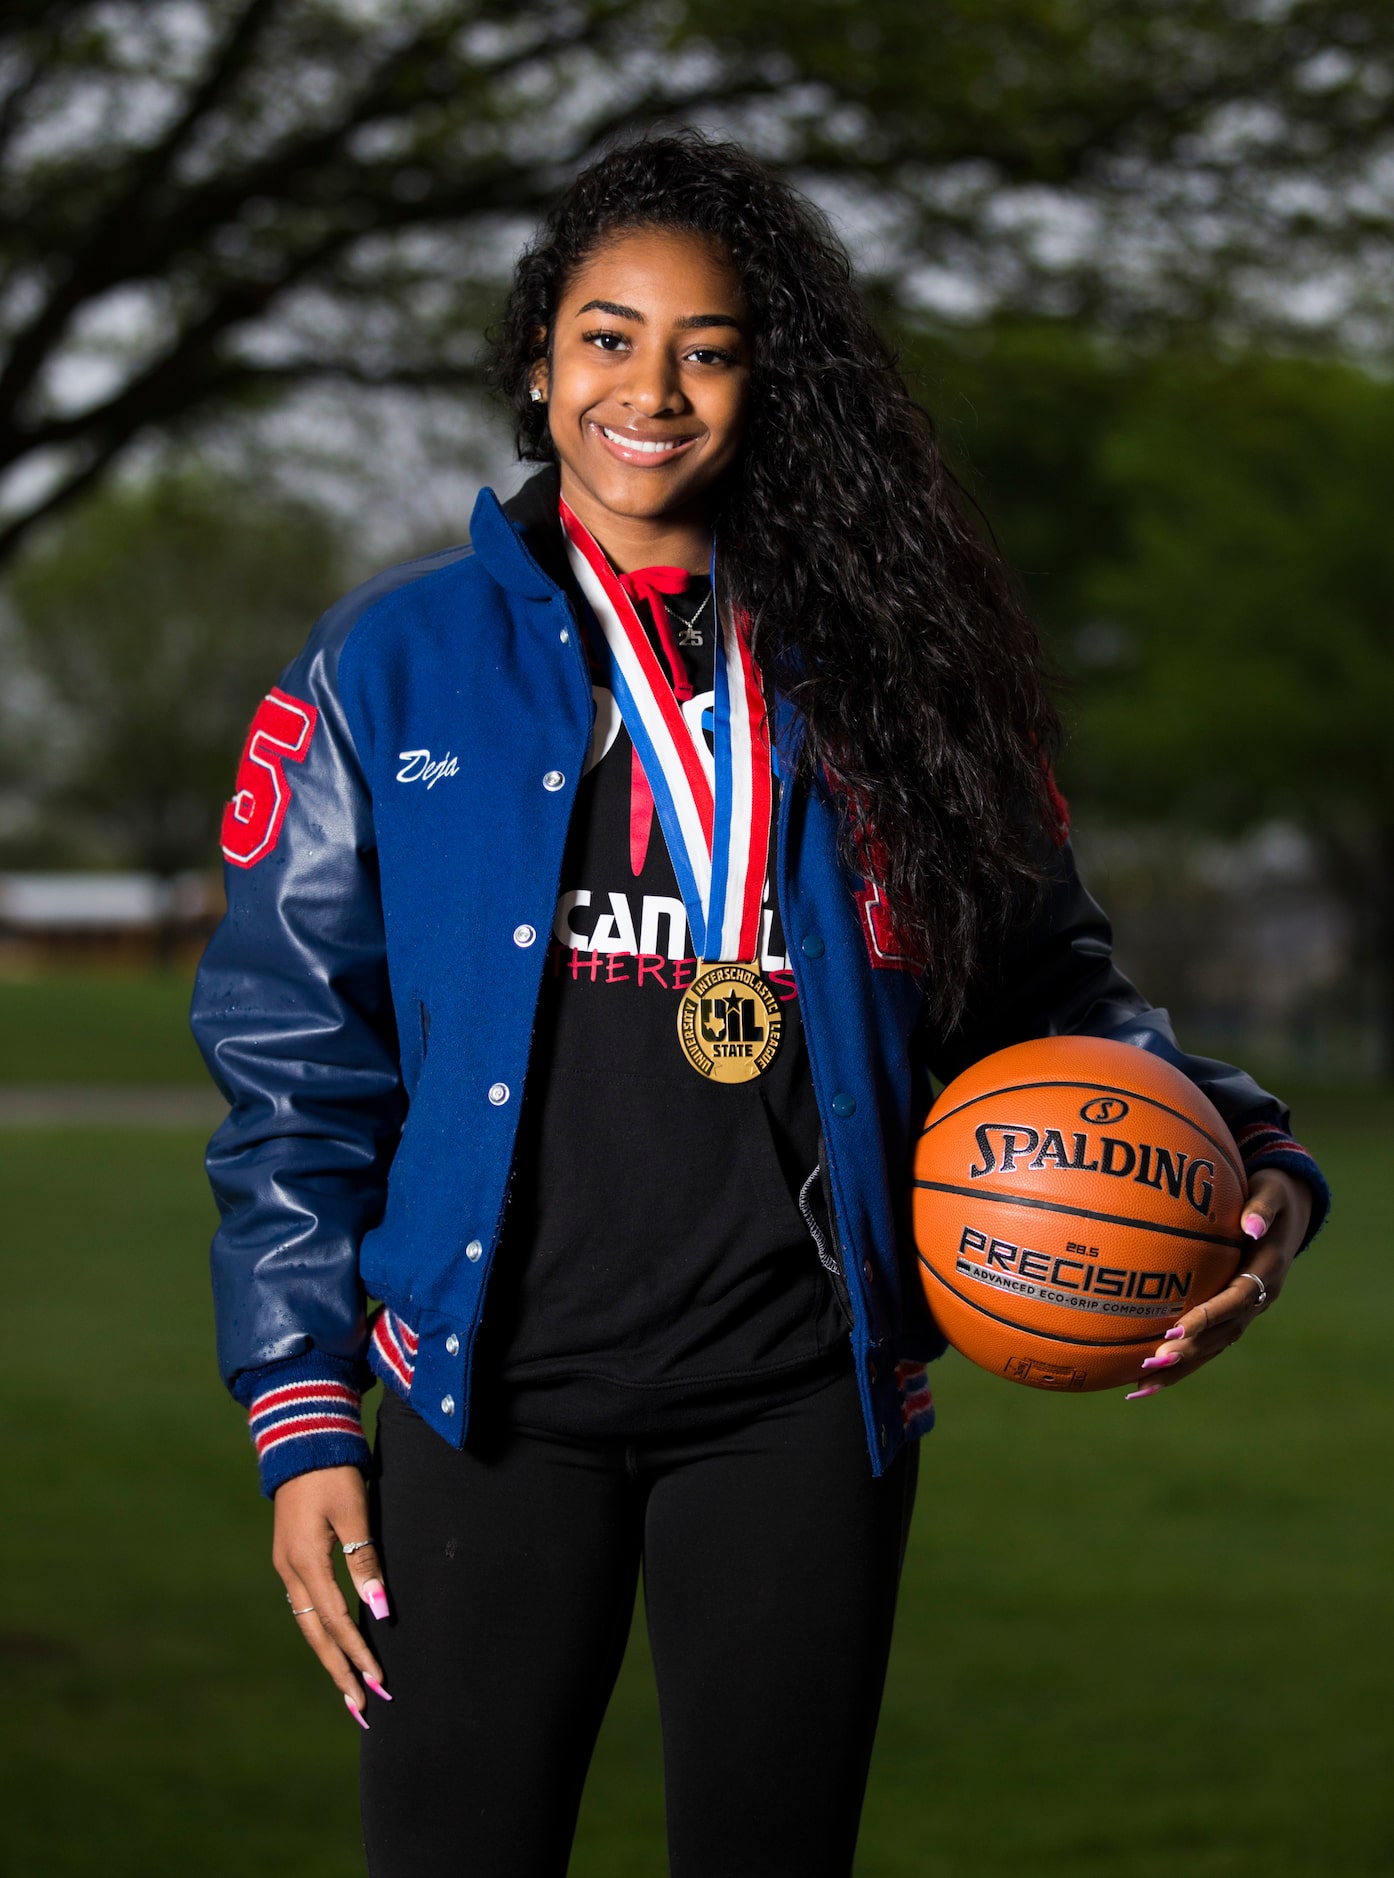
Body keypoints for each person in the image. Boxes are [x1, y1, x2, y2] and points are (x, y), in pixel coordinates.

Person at [191, 132, 1329, 1878]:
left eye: (706, 346)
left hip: (796, 1399)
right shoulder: (389, 665)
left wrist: (1247, 1146)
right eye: (605, 334)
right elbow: (291, 1063)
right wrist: (296, 1412)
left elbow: (1049, 982)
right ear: (536, 359)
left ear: (764, 379)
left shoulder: (899, 669)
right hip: (477, 1396)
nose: (650, 389)